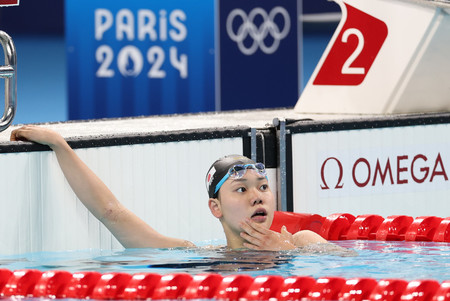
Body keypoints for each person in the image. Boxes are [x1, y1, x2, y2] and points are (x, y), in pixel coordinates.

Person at [10, 125, 328, 251]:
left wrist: (289, 255)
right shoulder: (199, 258)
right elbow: (111, 214)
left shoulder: (303, 242)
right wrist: (59, 144)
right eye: (241, 190)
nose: (257, 195)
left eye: (262, 187)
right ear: (215, 207)